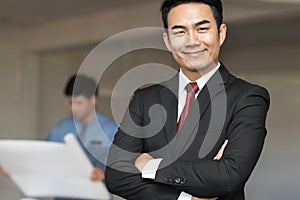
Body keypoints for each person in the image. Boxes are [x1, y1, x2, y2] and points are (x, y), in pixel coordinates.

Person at [105, 0, 270, 200]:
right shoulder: (145, 99)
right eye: (179, 32)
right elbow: (115, 177)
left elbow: (229, 176)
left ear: (221, 33)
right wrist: (186, 198)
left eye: (201, 28)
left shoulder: (248, 97)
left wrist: (151, 166)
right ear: (167, 41)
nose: (191, 41)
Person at [46, 74, 118, 200]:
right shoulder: (62, 128)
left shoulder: (111, 130)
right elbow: (44, 156)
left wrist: (106, 175)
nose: (74, 108)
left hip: (96, 196)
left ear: (93, 100)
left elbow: (127, 168)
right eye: (70, 102)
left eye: (79, 103)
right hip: (64, 195)